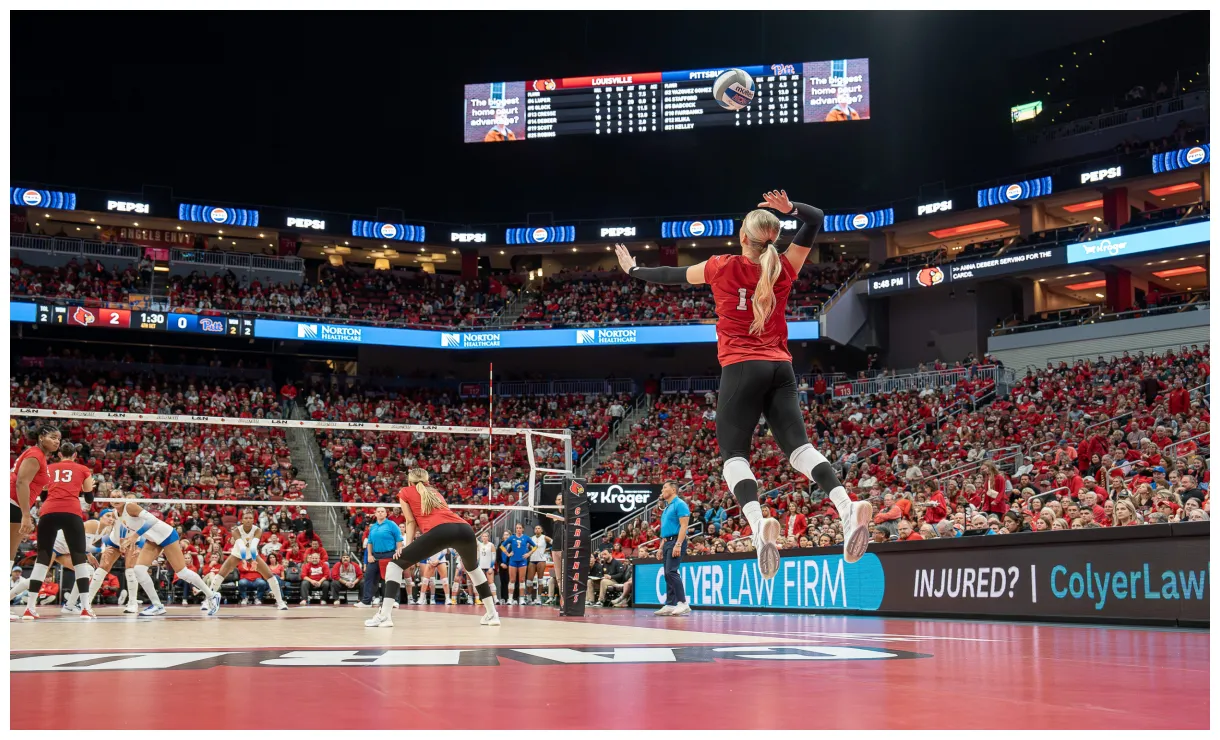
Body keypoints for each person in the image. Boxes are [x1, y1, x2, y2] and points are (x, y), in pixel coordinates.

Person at [615, 189, 869, 579]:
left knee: (734, 456)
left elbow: (670, 276)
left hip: (741, 367)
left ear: (742, 237)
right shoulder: (784, 266)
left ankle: (758, 525)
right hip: (781, 367)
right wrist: (791, 209)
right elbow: (816, 217)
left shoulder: (720, 266)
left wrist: (633, 269)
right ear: (773, 237)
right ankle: (847, 507)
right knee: (800, 450)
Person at [363, 468, 500, 628]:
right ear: (427, 480)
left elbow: (410, 522)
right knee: (474, 570)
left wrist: (408, 547)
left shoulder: (405, 492)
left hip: (440, 530)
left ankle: (384, 616)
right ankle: (492, 614)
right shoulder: (435, 492)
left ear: (409, 481)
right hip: (464, 529)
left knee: (394, 565)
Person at [18, 442, 99, 620]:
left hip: (48, 512)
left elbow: (43, 495)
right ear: (75, 455)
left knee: (42, 559)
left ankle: (29, 609)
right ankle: (86, 609)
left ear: (60, 454)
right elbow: (89, 499)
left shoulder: (49, 468)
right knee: (79, 558)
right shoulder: (83, 469)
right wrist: (87, 487)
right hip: (71, 512)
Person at [118, 496, 221, 616]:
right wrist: (128, 543)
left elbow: (152, 521)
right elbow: (138, 529)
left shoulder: (129, 506)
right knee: (139, 570)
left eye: (118, 497)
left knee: (182, 572)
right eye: (113, 497)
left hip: (166, 535)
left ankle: (212, 595)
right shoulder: (118, 514)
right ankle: (157, 605)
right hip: (152, 540)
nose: (115, 499)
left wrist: (135, 536)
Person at [9, 425, 59, 619]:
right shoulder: (35, 455)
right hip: (12, 503)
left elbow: (31, 482)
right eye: (53, 437)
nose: (56, 441)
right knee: (7, 555)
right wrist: (25, 514)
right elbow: (21, 482)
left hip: (13, 503)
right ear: (41, 437)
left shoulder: (38, 455)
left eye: (58, 439)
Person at [208, 509, 288, 609]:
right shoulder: (236, 530)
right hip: (237, 554)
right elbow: (242, 547)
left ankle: (280, 602)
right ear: (242, 520)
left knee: (270, 576)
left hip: (252, 554)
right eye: (246, 518)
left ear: (253, 520)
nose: (248, 520)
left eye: (250, 518)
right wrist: (243, 561)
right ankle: (207, 601)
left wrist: (253, 560)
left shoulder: (258, 530)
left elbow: (253, 547)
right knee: (220, 575)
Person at [655, 481, 691, 616]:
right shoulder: (666, 508)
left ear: (673, 490)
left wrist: (678, 544)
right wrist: (660, 548)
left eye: (665, 488)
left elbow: (684, 526)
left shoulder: (680, 504)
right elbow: (665, 531)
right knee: (667, 574)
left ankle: (683, 603)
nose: (662, 490)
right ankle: (670, 604)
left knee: (671, 572)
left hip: (676, 541)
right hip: (667, 542)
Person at [357, 506, 402, 608]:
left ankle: (393, 601)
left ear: (386, 514)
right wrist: (369, 555)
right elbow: (370, 542)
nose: (380, 513)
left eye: (382, 511)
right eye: (378, 511)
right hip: (375, 556)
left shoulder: (391, 524)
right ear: (375, 514)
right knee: (368, 577)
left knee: (390, 578)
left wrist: (398, 552)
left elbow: (398, 539)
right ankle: (366, 602)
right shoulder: (373, 527)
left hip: (389, 554)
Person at [499, 522, 535, 605]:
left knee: (522, 580)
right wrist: (508, 554)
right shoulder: (512, 537)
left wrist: (529, 554)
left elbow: (535, 546)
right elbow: (502, 546)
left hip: (522, 561)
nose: (518, 529)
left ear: (523, 529)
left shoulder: (526, 537)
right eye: (517, 528)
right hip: (513, 561)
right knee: (512, 580)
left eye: (520, 528)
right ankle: (510, 599)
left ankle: (521, 599)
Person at [527, 524, 553, 606]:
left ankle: (538, 599)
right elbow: (526, 547)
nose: (537, 529)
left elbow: (554, 543)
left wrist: (548, 549)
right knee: (529, 581)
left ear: (541, 530)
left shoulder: (544, 537)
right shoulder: (531, 538)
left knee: (540, 580)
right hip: (532, 559)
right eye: (536, 528)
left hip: (541, 560)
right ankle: (529, 598)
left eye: (539, 528)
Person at [474, 531, 498, 606]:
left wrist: (491, 567)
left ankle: (495, 599)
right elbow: (478, 557)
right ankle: (478, 599)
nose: (484, 538)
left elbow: (493, 557)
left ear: (488, 537)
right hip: (481, 566)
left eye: (486, 536)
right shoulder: (479, 545)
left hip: (488, 566)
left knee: (491, 582)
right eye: (483, 536)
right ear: (481, 538)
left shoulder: (491, 545)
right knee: (480, 582)